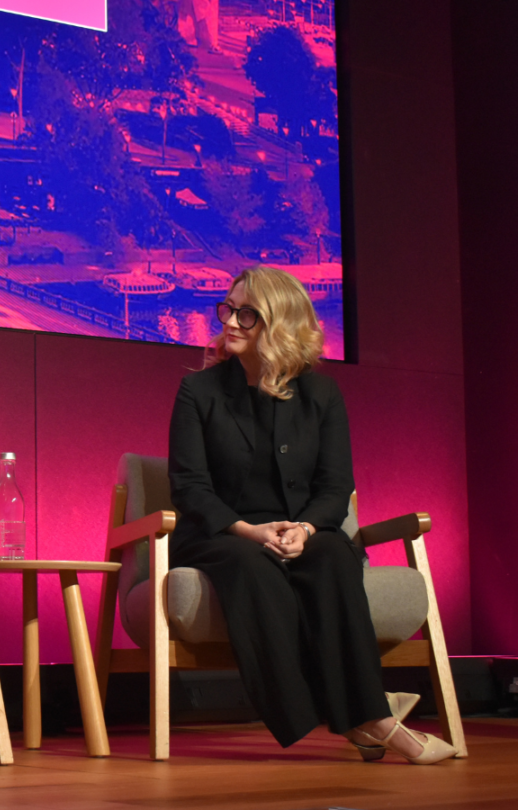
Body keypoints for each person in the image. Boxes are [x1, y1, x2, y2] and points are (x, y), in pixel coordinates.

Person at [167, 266, 456, 765]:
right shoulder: (200, 392)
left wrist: (303, 528)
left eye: (247, 314)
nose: (230, 322)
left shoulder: (321, 395)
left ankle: (367, 720)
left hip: (300, 528)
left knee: (335, 555)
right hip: (223, 532)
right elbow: (190, 487)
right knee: (252, 564)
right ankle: (369, 717)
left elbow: (334, 487)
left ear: (279, 323)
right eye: (228, 309)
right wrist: (250, 530)